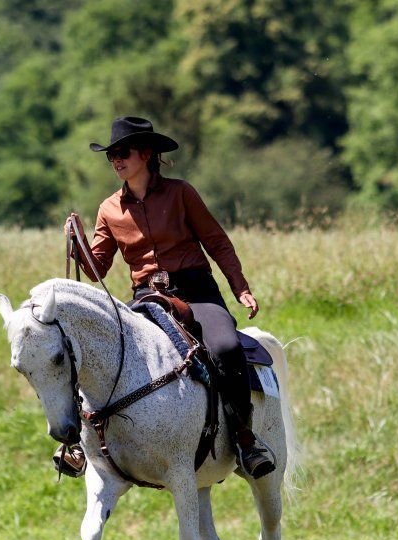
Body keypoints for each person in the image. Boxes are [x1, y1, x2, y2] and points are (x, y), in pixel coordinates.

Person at [55, 115, 276, 480]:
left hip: (196, 291)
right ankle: (77, 445)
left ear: (145, 153)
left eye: (122, 152)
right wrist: (77, 244)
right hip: (146, 297)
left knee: (225, 348)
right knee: (94, 351)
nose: (116, 161)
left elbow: (216, 241)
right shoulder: (109, 209)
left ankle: (245, 439)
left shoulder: (181, 193)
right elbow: (98, 270)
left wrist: (240, 287)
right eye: (111, 156)